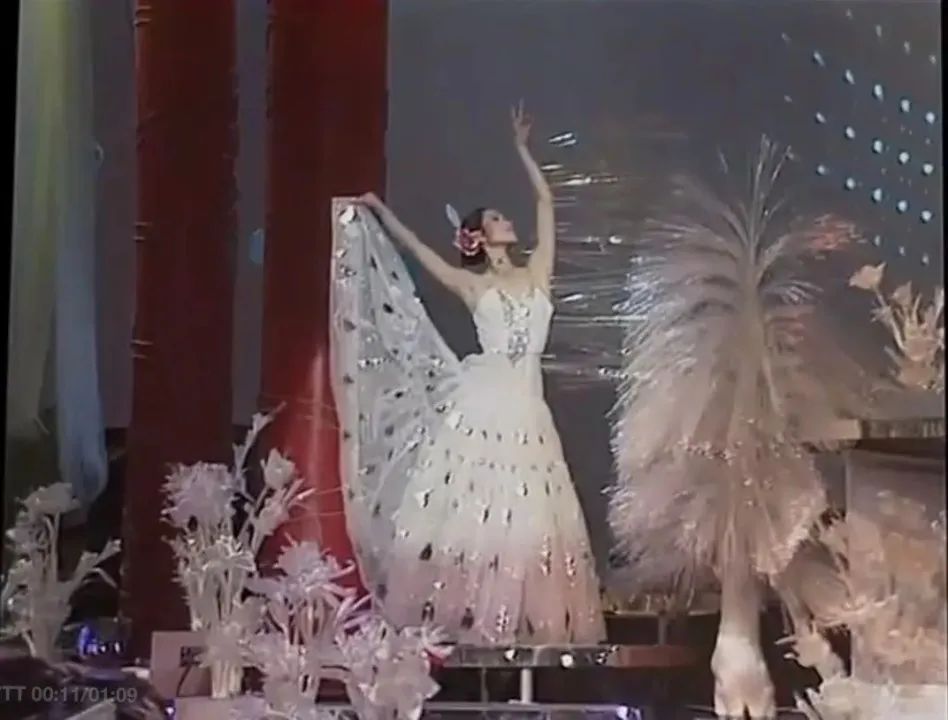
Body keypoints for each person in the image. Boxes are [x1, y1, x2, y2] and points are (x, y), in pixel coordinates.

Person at [331, 102, 605, 646]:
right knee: (474, 516)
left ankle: (514, 636)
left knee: (527, 521)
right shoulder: (473, 285)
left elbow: (547, 203)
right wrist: (380, 210)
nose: (508, 222)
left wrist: (522, 151)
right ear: (479, 235)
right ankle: (466, 631)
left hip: (528, 410)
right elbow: (417, 250)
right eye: (498, 218)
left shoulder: (538, 273)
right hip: (484, 408)